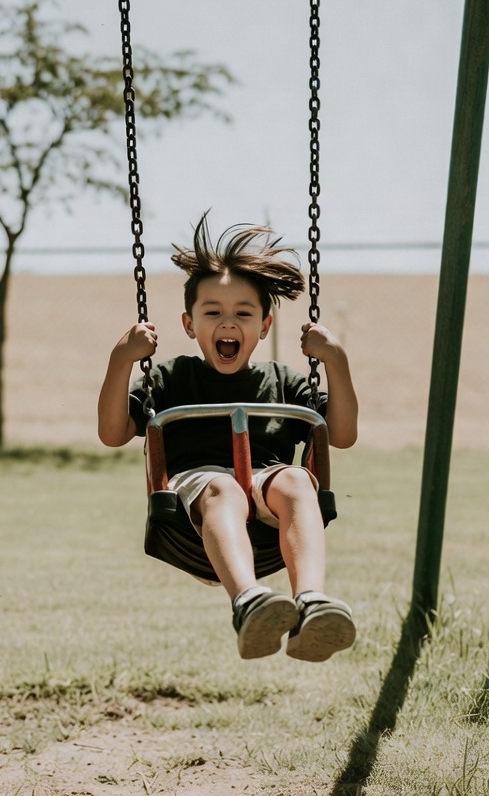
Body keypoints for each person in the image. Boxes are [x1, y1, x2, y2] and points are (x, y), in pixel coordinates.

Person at [97, 214, 359, 662]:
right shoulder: (172, 377)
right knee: (222, 487)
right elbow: (112, 432)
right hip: (197, 500)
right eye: (213, 312)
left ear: (264, 325)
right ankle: (249, 602)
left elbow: (344, 434)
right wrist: (121, 360)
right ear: (189, 323)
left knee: (296, 481)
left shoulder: (283, 381)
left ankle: (312, 602)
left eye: (243, 313)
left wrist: (336, 361)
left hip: (265, 491)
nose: (228, 322)